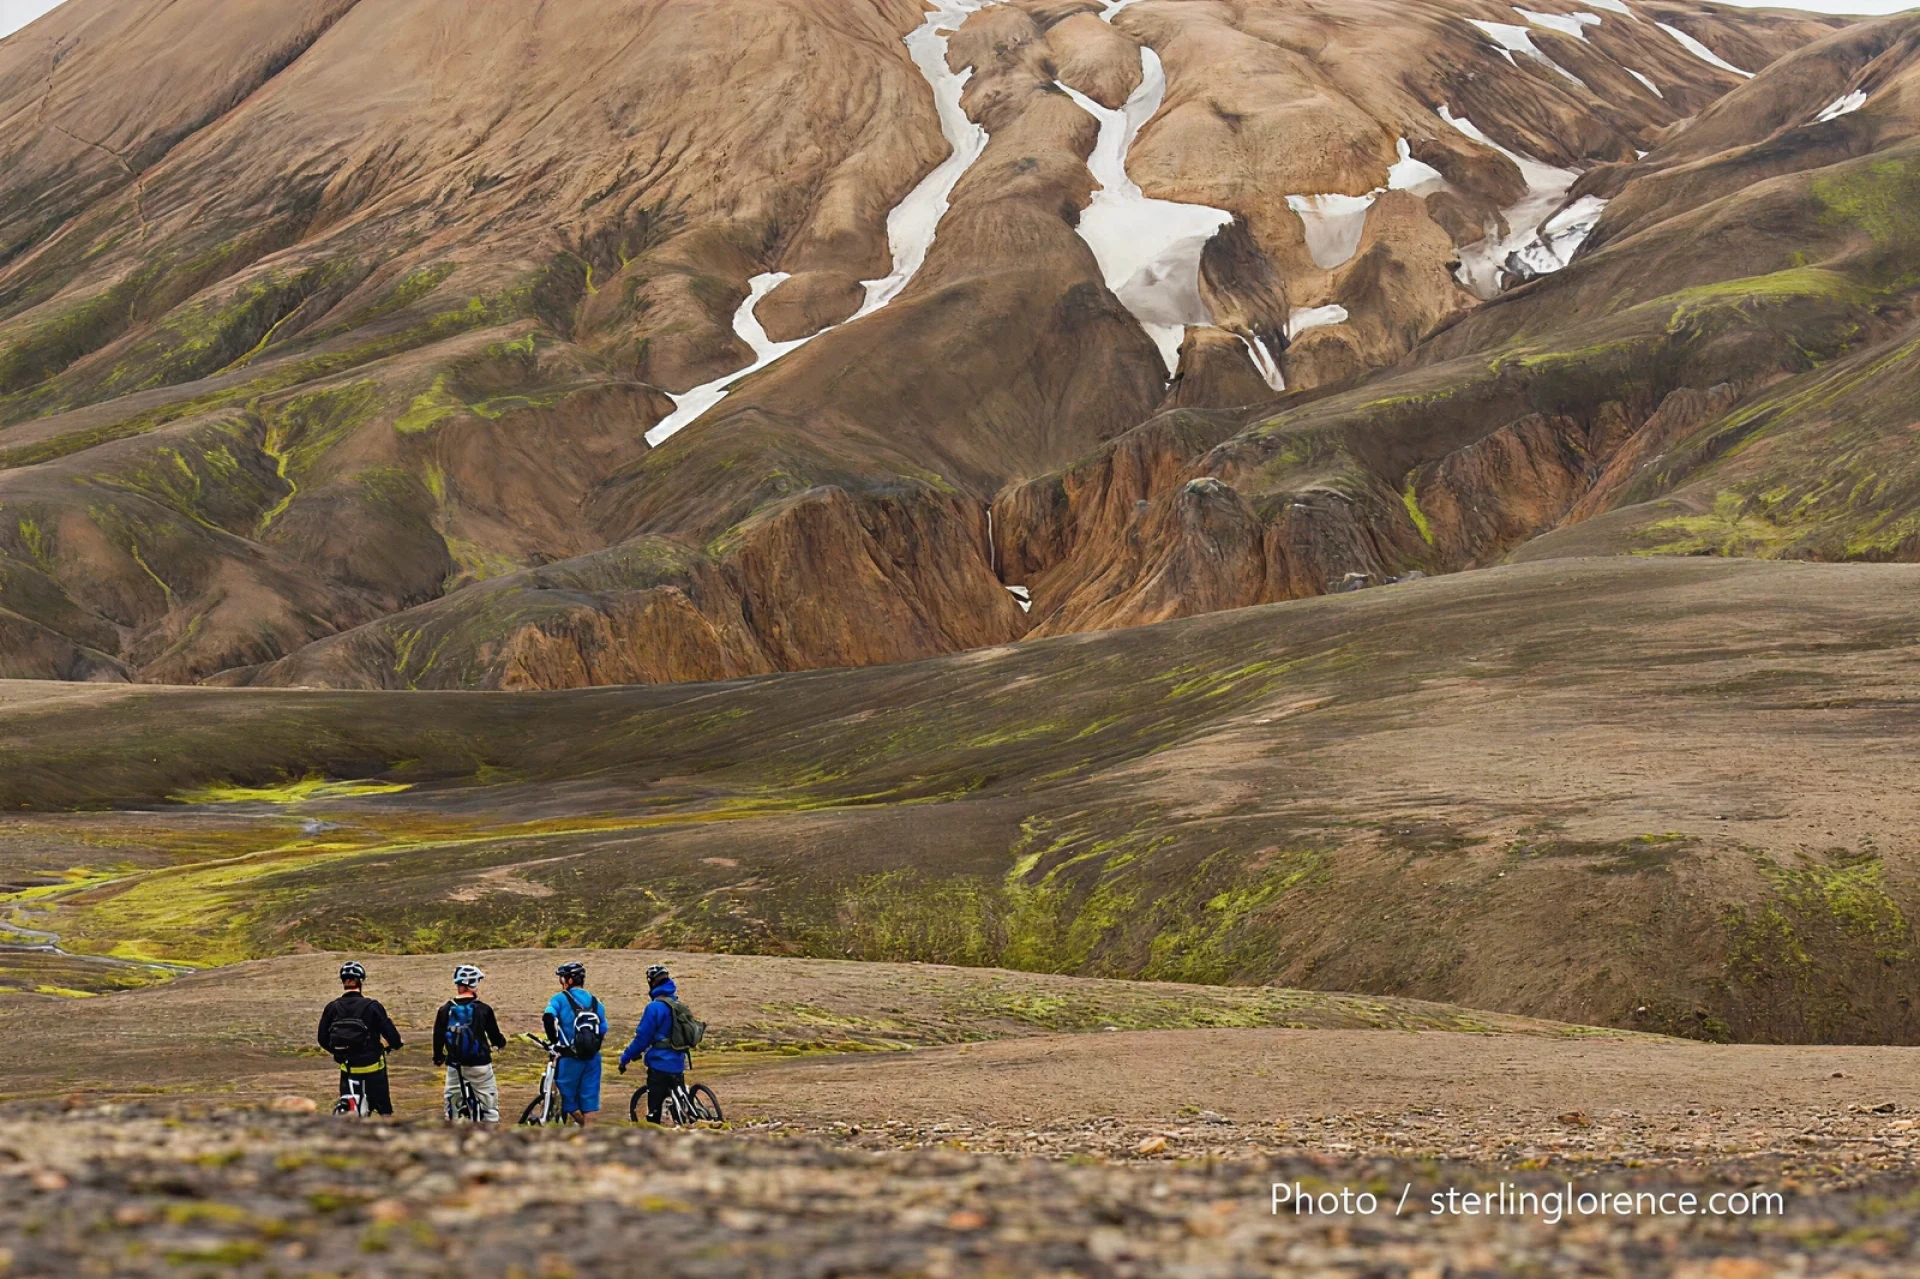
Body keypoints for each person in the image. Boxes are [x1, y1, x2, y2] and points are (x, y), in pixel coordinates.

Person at [317, 960, 403, 1115]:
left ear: (343, 981)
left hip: (348, 1069)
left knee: (348, 1109)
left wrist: (339, 1052)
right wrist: (394, 1045)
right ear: (361, 981)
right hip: (374, 1069)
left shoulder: (332, 1007)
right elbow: (392, 1036)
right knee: (385, 1111)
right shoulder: (373, 1006)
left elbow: (322, 1038)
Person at [619, 963, 692, 1124]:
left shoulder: (654, 1007)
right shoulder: (678, 1005)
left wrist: (625, 1058)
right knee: (680, 1099)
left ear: (651, 982)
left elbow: (642, 1039)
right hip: (679, 1062)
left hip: (659, 1065)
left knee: (654, 1111)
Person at [433, 963, 507, 1121]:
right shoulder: (483, 1009)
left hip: (455, 1066)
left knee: (452, 1108)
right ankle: (491, 1136)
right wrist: (500, 1043)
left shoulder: (445, 1009)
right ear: (474, 984)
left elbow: (438, 1037)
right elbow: (494, 1035)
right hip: (480, 1065)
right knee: (490, 1109)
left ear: (458, 984)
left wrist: (438, 1057)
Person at [542, 961, 607, 1126]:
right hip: (592, 1058)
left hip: (569, 1058)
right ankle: (590, 1133)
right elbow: (603, 1029)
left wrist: (554, 1042)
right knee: (590, 1100)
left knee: (568, 1098)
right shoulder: (595, 1002)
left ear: (568, 980)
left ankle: (581, 1125)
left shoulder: (559, 999)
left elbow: (548, 1017)